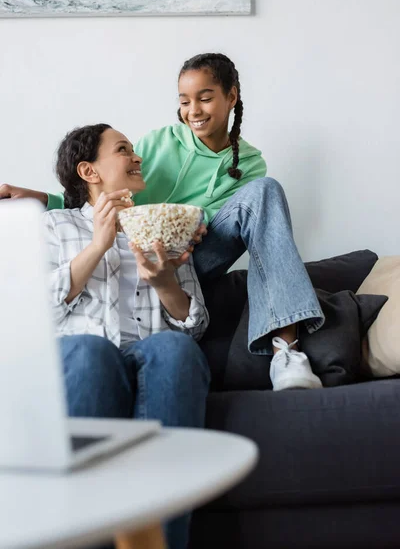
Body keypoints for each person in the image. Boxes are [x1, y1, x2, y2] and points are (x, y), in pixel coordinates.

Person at [0, 52, 324, 391]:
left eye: (205, 98)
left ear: (231, 96)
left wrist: (189, 234)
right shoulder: (158, 143)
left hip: (194, 250)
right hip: (139, 246)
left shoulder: (251, 164)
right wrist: (43, 200)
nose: (194, 111)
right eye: (185, 101)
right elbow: (102, 187)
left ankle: (286, 351)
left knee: (265, 191)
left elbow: (217, 222)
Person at [44, 123, 210, 549]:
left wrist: (166, 282)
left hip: (151, 350)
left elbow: (196, 324)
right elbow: (32, 309)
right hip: (82, 354)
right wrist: (98, 244)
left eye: (135, 150)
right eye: (123, 150)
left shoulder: (165, 225)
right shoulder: (53, 228)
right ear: (89, 171)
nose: (137, 158)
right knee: (88, 351)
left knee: (176, 349)